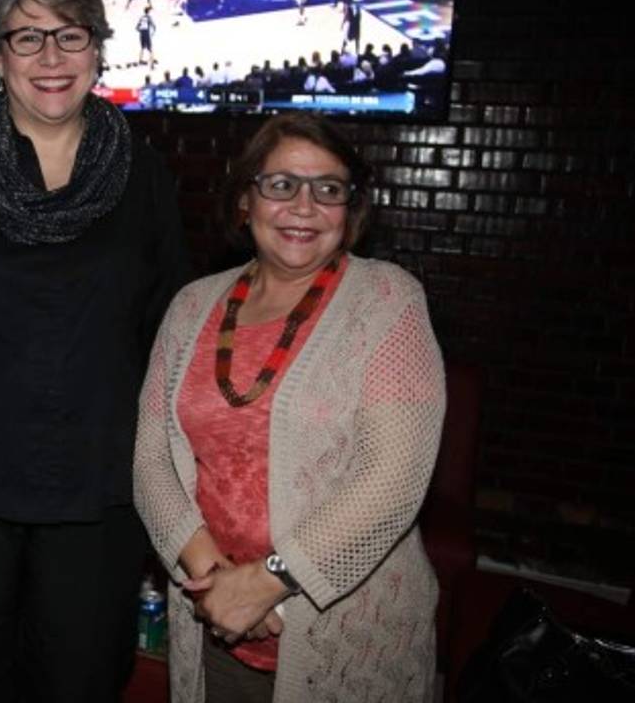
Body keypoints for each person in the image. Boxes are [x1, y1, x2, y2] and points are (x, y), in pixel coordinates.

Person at [0, 0, 191, 703]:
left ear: (99, 50)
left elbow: (168, 326)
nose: (51, 58)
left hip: (98, 486)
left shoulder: (146, 174)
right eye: (26, 38)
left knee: (84, 682)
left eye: (71, 35)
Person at [134, 112, 444, 702]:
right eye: (281, 184)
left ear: (349, 211)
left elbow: (394, 478)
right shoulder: (191, 305)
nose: (304, 206)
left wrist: (269, 582)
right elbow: (151, 456)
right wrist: (216, 583)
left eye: (328, 189)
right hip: (213, 624)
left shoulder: (387, 301)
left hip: (345, 638)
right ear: (245, 201)